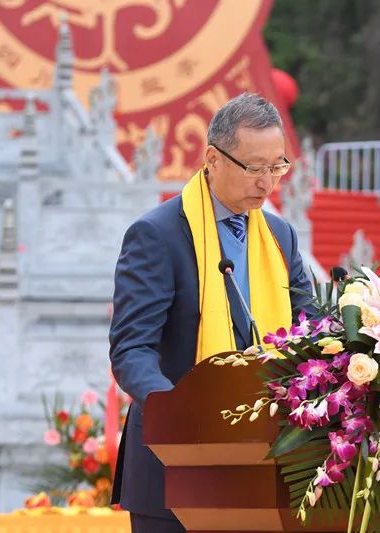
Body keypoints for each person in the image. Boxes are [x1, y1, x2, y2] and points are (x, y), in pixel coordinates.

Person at [108, 93, 313, 532]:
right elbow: (132, 348)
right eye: (254, 168)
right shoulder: (157, 235)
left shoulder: (281, 236)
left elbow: (311, 329)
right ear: (213, 159)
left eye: (277, 167)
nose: (266, 182)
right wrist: (174, 410)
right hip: (175, 465)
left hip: (267, 464)